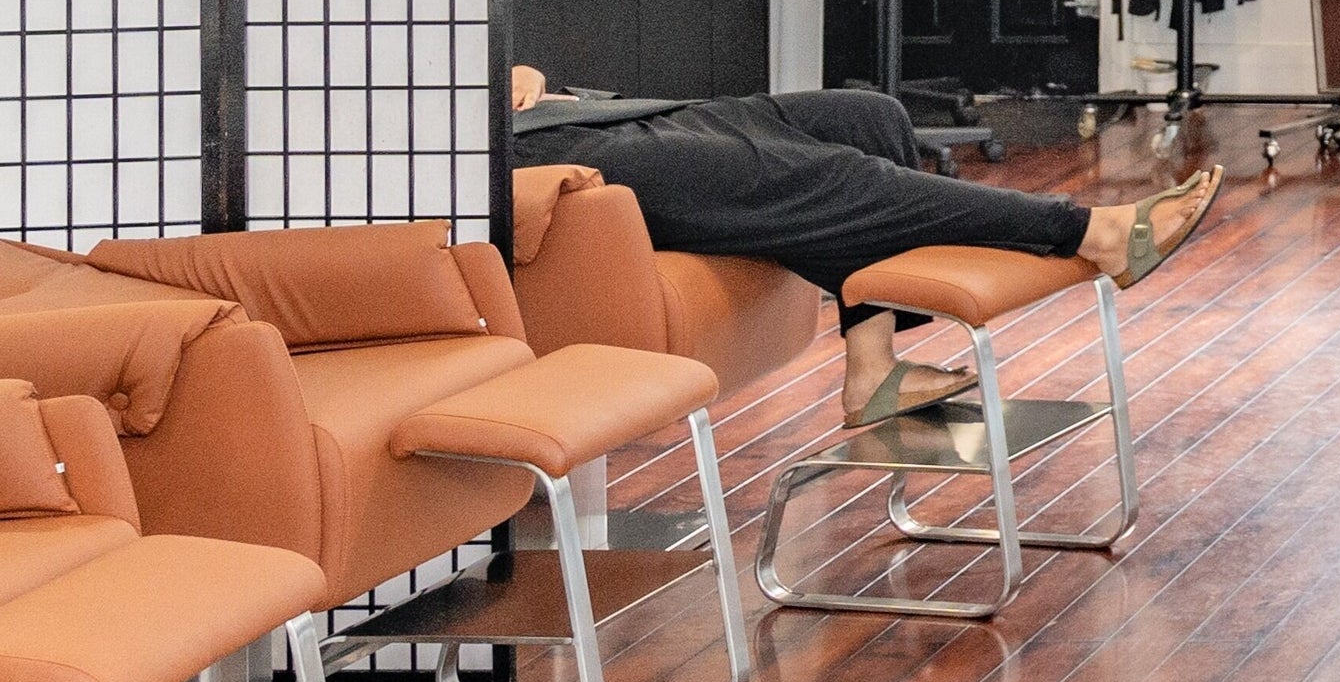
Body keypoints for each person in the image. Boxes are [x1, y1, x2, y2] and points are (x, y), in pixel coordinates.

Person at [509, 71, 1221, 424]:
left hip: (576, 113)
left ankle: (874, 371)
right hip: (536, 155)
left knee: (867, 116)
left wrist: (514, 70)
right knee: (836, 178)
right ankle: (1091, 232)